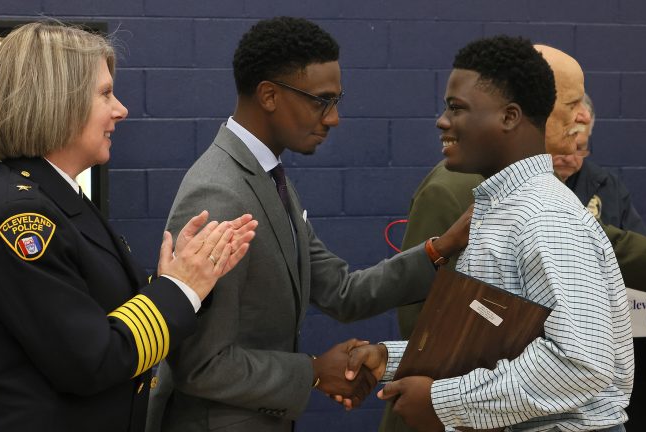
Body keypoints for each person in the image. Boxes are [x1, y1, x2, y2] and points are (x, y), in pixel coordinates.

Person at [148, 17, 469, 432]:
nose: (333, 118)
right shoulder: (220, 194)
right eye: (322, 101)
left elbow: (342, 292)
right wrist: (314, 371)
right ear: (269, 95)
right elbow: (201, 365)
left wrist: (440, 248)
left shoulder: (266, 177)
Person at [0, 22, 257, 432]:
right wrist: (180, 288)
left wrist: (184, 277)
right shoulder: (21, 219)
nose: (121, 109)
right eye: (105, 93)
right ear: (58, 101)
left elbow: (98, 312)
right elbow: (91, 360)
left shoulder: (58, 199)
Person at [352, 36, 633, 432]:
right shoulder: (502, 207)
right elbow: (495, 344)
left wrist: (443, 400)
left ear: (509, 117)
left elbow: (579, 364)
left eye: (457, 108)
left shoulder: (545, 216)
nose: (442, 121)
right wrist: (389, 359)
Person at [553, 93, 646, 235]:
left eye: (579, 148)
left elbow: (638, 243)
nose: (568, 158)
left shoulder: (609, 187)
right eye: (562, 147)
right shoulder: (522, 185)